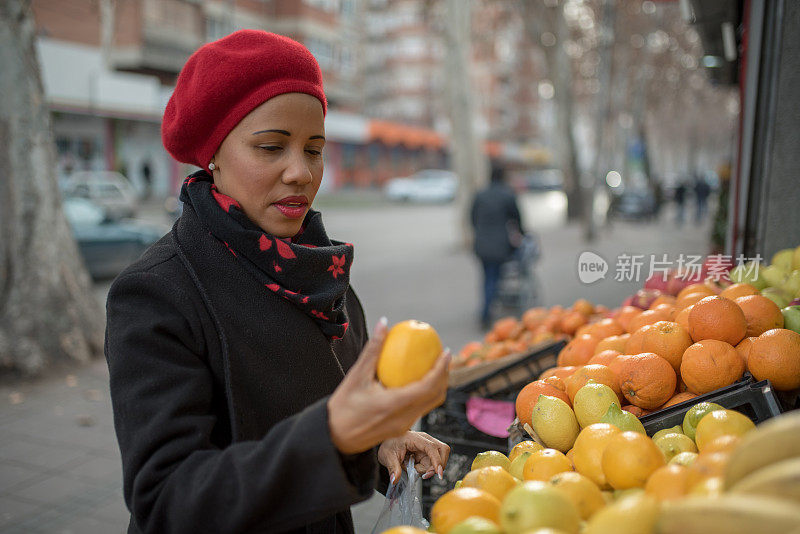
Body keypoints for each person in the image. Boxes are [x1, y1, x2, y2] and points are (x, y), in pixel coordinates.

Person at [105, 30, 451, 534]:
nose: (301, 173)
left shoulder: (318, 271)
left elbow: (327, 409)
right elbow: (166, 500)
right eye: (271, 147)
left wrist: (380, 443)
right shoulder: (157, 294)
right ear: (213, 154)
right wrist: (334, 437)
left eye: (314, 149)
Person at [470, 164, 523, 329]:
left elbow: (471, 217)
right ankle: (486, 313)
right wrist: (522, 234)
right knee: (494, 278)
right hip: (500, 245)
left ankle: (487, 309)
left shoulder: (480, 195)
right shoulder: (507, 195)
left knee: (487, 277)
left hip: (482, 244)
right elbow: (517, 219)